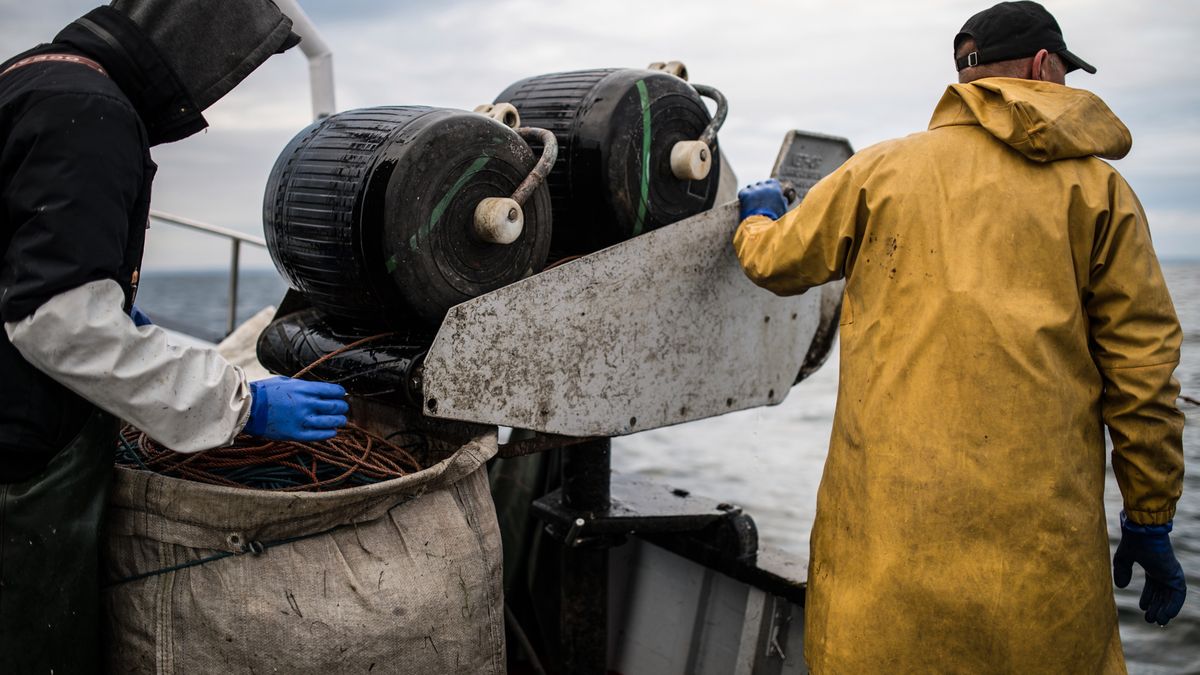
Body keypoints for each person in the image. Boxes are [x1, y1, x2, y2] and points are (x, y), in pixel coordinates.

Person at [733, 2, 1186, 672]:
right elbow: (1144, 375)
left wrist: (758, 218)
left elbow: (775, 264)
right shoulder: (1100, 193)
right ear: (1042, 66)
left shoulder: (879, 172)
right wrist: (1149, 513)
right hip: (1041, 576)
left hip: (885, 562)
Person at [0, 1, 349, 671]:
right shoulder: (92, 111)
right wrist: (243, 405)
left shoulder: (29, 76)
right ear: (191, 49)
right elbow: (58, 321)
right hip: (20, 465)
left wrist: (114, 316)